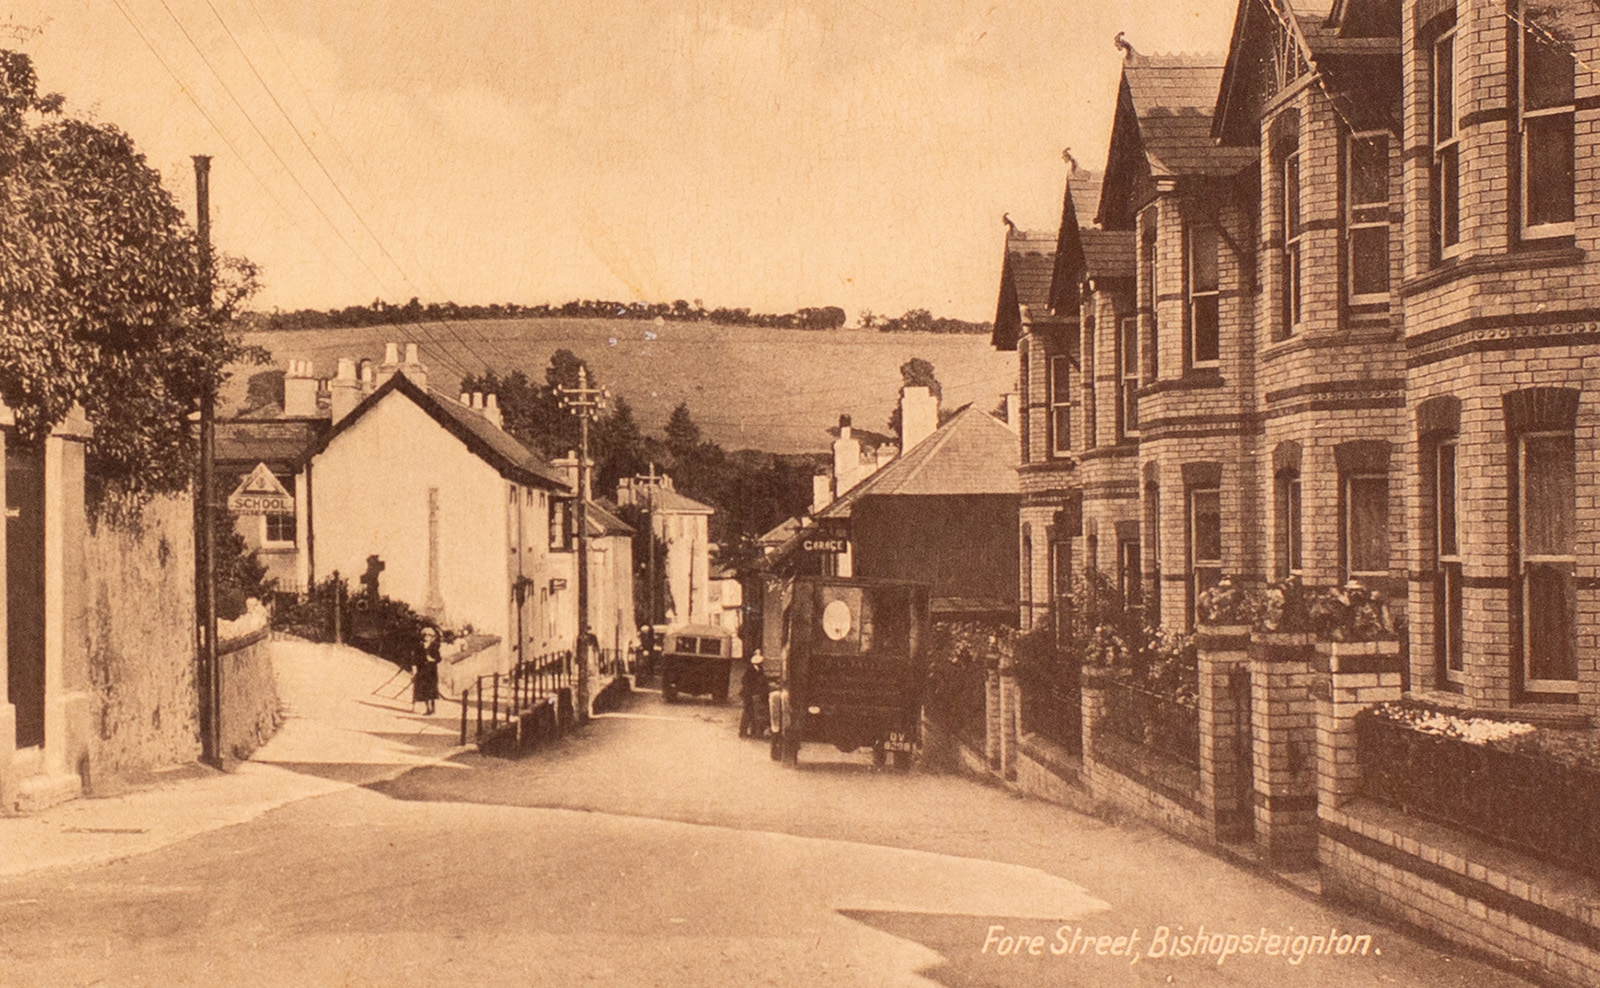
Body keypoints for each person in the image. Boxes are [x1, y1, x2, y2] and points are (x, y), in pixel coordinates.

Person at [738, 650, 771, 738]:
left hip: (753, 694)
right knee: (748, 712)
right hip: (749, 694)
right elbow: (745, 681)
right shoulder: (750, 670)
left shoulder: (758, 670)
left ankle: (753, 731)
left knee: (752, 712)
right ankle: (743, 731)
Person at [414, 624, 442, 715]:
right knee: (424, 690)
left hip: (431, 671)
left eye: (429, 636)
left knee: (432, 690)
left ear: (432, 637)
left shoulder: (434, 647)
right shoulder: (419, 646)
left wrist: (432, 659)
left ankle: (433, 708)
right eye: (425, 635)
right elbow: (415, 659)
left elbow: (439, 658)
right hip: (422, 671)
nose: (426, 637)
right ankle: (427, 708)